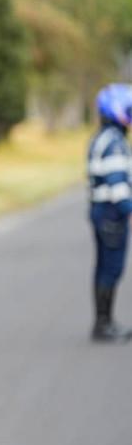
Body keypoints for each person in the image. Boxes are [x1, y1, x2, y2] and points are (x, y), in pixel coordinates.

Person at [88, 84, 132, 343]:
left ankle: (103, 322)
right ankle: (104, 324)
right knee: (111, 268)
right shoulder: (115, 143)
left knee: (103, 267)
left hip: (100, 210)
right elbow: (118, 184)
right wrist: (129, 210)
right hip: (111, 214)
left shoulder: (102, 137)